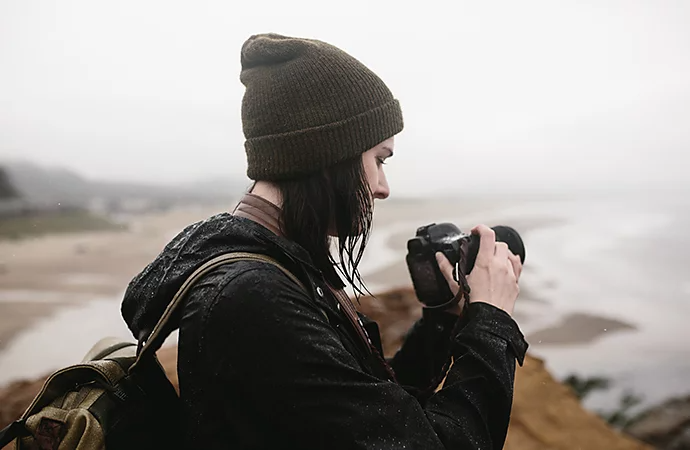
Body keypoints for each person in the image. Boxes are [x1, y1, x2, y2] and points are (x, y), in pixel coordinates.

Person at [121, 33, 527, 450]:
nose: (383, 187)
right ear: (327, 153)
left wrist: (442, 319)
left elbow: (371, 413)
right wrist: (491, 321)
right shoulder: (254, 298)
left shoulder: (272, 270)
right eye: (379, 160)